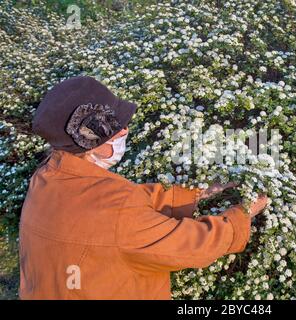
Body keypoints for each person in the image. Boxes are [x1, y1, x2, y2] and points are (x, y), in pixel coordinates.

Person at [19, 76, 268, 299]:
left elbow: (112, 211)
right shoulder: (118, 210)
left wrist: (196, 193)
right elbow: (193, 246)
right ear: (88, 139)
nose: (125, 130)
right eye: (115, 129)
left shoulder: (46, 177)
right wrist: (242, 214)